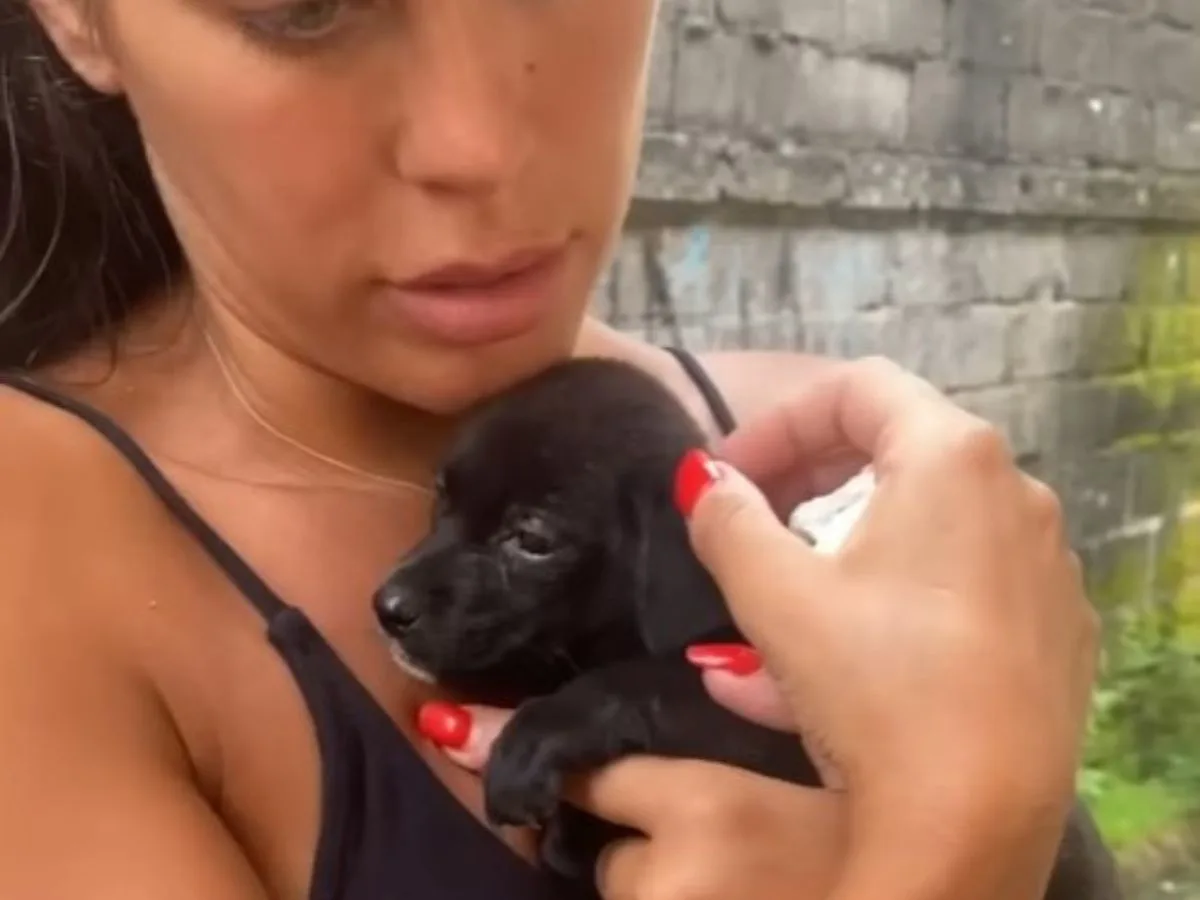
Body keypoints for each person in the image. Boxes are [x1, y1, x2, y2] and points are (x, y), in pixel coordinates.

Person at [0, 2, 1099, 899]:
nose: (478, 144)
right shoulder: (38, 566)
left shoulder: (834, 467)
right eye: (304, 6)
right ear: (80, 17)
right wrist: (955, 852)